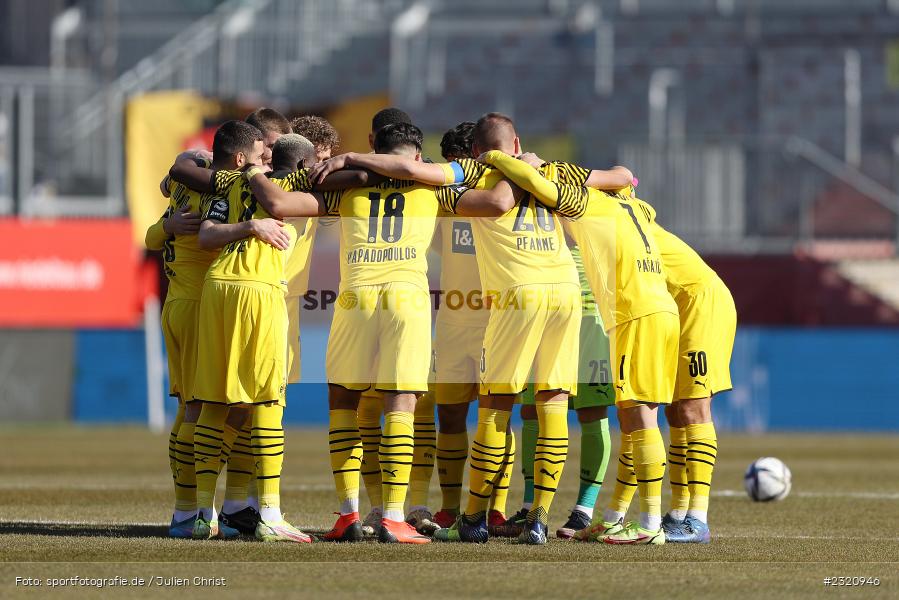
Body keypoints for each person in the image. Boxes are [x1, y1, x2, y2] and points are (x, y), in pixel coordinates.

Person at [481, 151, 679, 545]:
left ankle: (590, 508)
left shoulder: (576, 199)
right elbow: (625, 175)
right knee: (537, 407)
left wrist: (501, 158)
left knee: (600, 412)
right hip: (588, 306)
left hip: (592, 311)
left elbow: (548, 185)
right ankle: (532, 505)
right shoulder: (637, 207)